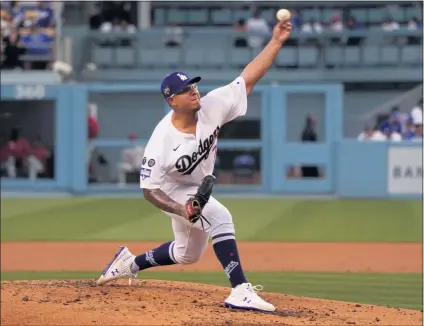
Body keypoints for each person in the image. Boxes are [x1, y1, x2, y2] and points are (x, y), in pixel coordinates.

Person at [96, 19, 292, 312]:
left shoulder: (213, 106)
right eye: (187, 89)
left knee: (188, 254)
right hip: (171, 190)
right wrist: (180, 209)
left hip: (196, 188)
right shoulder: (161, 140)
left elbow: (248, 78)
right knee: (221, 217)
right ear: (172, 100)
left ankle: (130, 263)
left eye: (194, 85)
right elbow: (149, 190)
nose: (194, 91)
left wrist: (276, 41)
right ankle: (240, 290)